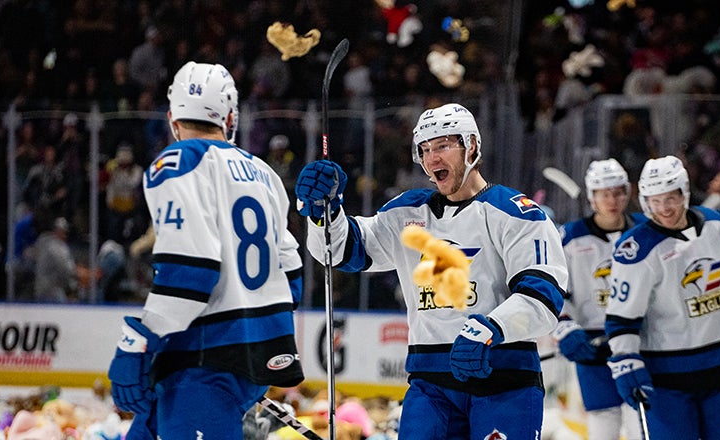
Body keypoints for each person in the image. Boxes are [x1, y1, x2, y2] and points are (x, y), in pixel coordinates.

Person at [295, 103, 568, 440]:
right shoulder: (408, 212)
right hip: (430, 386)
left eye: (443, 146)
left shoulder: (515, 213)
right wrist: (325, 212)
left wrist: (490, 329)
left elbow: (543, 297)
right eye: (424, 150)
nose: (432, 158)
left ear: (472, 146)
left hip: (504, 380)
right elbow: (341, 252)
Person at [106, 62, 305, 440]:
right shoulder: (264, 172)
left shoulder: (177, 163)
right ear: (230, 117)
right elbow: (291, 278)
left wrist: (140, 340)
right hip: (257, 356)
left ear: (172, 119)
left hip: (204, 361)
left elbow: (191, 273)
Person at [604, 156, 720, 439]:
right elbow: (621, 318)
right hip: (667, 379)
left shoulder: (717, 225)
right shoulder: (635, 249)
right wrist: (625, 361)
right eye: (655, 201)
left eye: (670, 198)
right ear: (644, 201)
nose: (664, 208)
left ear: (685, 193)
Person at [554, 158, 644, 440]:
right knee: (602, 423)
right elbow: (554, 291)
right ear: (592, 197)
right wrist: (566, 328)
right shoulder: (571, 237)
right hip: (591, 346)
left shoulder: (644, 231)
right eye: (604, 194)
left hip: (639, 342)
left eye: (618, 192)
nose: (612, 200)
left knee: (641, 420)